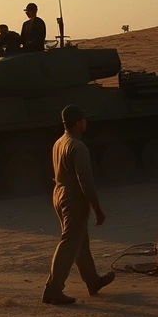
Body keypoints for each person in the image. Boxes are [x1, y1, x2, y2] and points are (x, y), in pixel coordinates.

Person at [42, 104, 114, 305]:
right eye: (84, 119)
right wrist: (97, 208)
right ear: (77, 123)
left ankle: (93, 281)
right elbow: (86, 182)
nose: (86, 122)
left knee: (80, 242)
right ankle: (53, 290)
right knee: (69, 242)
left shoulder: (59, 142)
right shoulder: (78, 146)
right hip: (73, 197)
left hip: (59, 193)